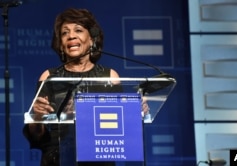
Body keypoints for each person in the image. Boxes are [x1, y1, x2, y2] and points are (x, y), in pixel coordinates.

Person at [23, 8, 149, 166]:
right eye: (64, 33)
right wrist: (37, 118)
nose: (71, 36)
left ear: (92, 39)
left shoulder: (109, 77)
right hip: (58, 158)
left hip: (99, 159)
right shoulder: (49, 77)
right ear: (61, 45)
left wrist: (135, 114)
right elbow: (37, 138)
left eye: (78, 30)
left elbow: (120, 131)